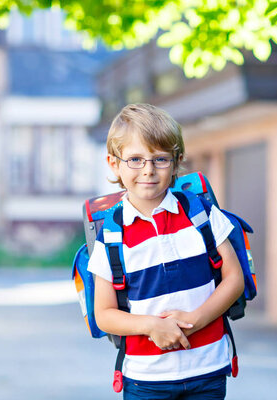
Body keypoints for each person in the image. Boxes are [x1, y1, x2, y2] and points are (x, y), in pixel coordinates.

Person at [88, 103, 244, 400]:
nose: (148, 170)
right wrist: (151, 326)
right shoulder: (111, 235)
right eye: (135, 159)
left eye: (160, 159)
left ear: (176, 161)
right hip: (146, 379)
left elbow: (234, 278)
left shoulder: (201, 214)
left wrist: (196, 318)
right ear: (113, 164)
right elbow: (104, 314)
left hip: (208, 370)